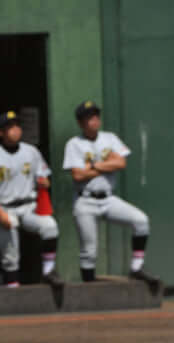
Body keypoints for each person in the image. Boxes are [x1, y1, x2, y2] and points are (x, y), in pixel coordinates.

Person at [63, 100, 161, 292]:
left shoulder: (110, 138)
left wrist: (92, 166)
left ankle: (136, 267)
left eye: (96, 116)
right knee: (89, 251)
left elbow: (121, 164)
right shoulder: (74, 144)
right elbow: (77, 175)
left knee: (141, 221)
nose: (94, 120)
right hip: (85, 201)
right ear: (81, 122)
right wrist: (106, 164)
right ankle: (88, 288)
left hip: (108, 198)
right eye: (89, 117)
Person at [0, 110, 63, 288]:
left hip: (29, 206)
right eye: (9, 127)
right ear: (1, 132)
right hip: (5, 207)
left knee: (50, 226)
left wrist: (43, 183)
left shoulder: (31, 151)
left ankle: (48, 271)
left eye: (16, 126)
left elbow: (43, 176)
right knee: (10, 256)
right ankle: (13, 291)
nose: (14, 130)